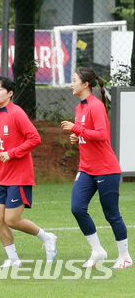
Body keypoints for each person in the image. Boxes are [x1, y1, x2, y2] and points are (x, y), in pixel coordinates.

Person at [0, 76, 57, 268]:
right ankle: (13, 258)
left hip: (19, 176)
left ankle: (47, 237)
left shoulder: (17, 113)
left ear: (10, 93)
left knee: (11, 219)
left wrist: (12, 153)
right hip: (0, 176)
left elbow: (34, 138)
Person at [60, 67, 131, 269]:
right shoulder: (79, 107)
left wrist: (76, 129)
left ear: (85, 85)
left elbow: (101, 135)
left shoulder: (96, 106)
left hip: (106, 169)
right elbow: (88, 133)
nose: (71, 84)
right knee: (77, 208)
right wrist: (78, 137)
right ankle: (98, 250)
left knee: (111, 214)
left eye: (74, 80)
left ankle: (125, 256)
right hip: (86, 169)